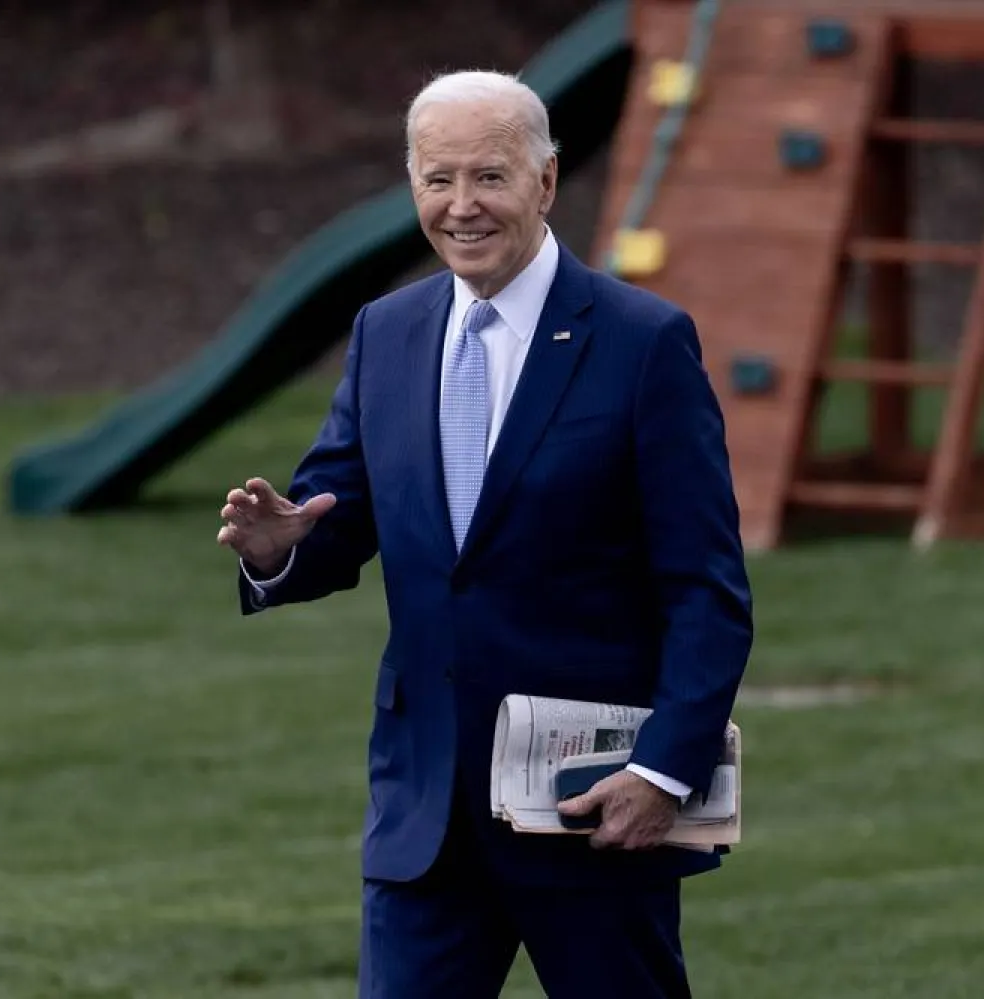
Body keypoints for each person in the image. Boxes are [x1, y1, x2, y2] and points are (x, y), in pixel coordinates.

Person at [217, 69, 752, 998]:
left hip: (593, 807)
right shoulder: (387, 332)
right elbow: (335, 517)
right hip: (424, 814)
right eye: (437, 179)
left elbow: (706, 590)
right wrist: (280, 552)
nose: (461, 206)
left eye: (489, 178)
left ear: (545, 182)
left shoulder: (642, 342)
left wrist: (663, 772)